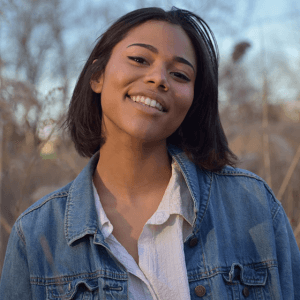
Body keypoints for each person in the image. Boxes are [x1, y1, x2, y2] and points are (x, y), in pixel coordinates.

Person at [0, 6, 299, 300]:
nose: (159, 79)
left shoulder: (253, 206)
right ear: (97, 76)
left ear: (193, 101)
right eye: (140, 59)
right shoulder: (36, 235)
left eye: (180, 74)